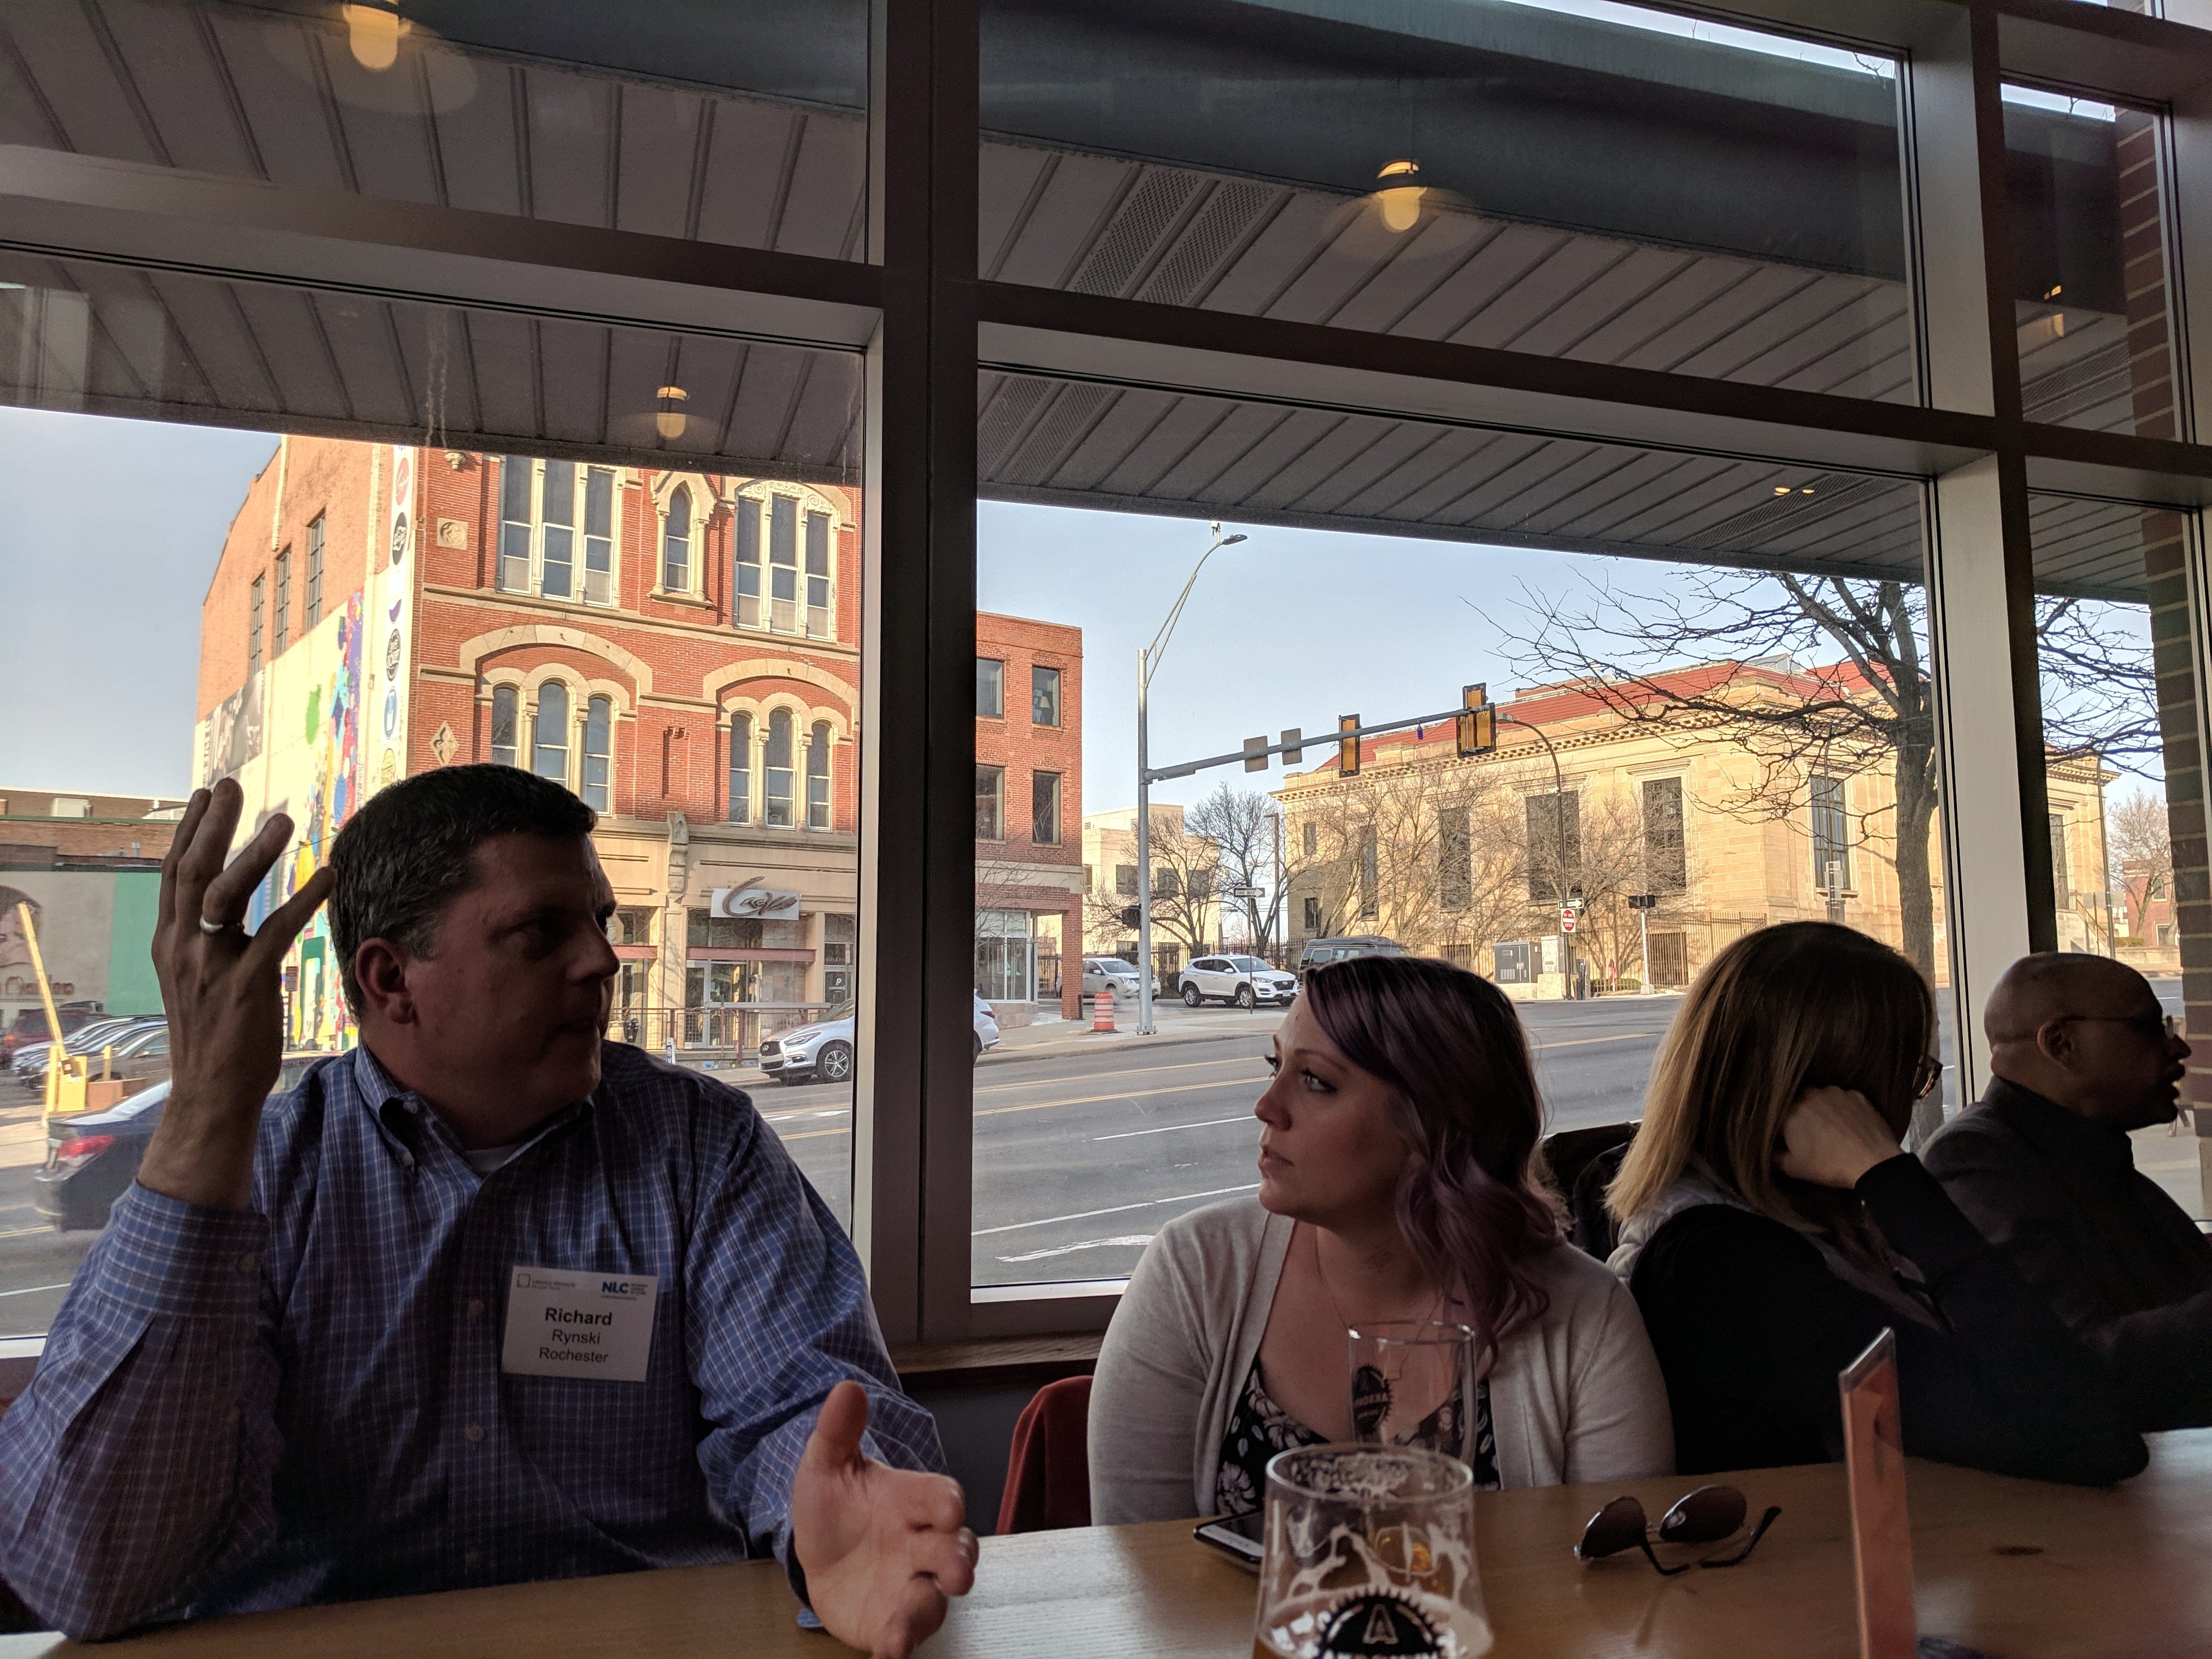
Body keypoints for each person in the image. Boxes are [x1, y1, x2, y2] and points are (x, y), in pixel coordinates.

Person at [0, 769, 976, 1649]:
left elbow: (806, 1412)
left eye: (598, 920)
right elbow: (89, 1571)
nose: (603, 961)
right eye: (542, 931)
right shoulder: (258, 1175)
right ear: (391, 981)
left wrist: (832, 1517)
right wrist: (208, 1108)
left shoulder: (694, 1146)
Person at [1089, 955, 1672, 1523]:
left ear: (1432, 1127)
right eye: (1276, 1067)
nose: (1266, 1107)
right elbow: (1141, 1576)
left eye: (1315, 1081)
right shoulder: (1194, 1275)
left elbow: (1621, 1593)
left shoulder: (1584, 1320)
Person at [1608, 921, 2145, 1486]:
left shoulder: (1806, 1227)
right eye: (1912, 1073)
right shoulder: (1722, 1266)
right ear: (1833, 1096)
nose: (1917, 1096)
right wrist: (1887, 1176)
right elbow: (2087, 1434)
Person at [1922, 952, 2212, 1430]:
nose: (2178, 1047)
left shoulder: (2086, 1152)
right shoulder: (1977, 1163)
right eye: (2149, 1028)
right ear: (2061, 1044)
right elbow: (2068, 1361)